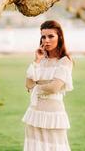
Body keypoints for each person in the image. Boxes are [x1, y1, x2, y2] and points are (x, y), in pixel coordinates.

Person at [22, 20, 73, 151]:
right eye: (43, 37)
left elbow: (54, 87)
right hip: (35, 113)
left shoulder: (65, 61)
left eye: (51, 36)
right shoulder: (41, 61)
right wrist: (37, 60)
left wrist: (37, 86)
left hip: (53, 115)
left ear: (59, 37)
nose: (46, 40)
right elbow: (28, 84)